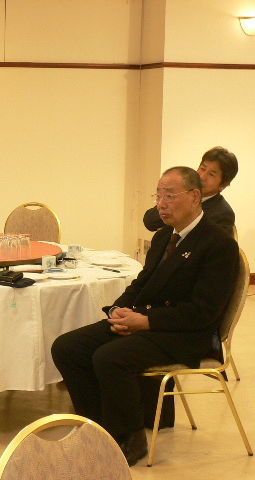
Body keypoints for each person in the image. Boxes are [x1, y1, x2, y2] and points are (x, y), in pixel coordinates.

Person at [51, 166, 239, 466]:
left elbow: (203, 313)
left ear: (194, 197)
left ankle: (130, 437)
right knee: (67, 347)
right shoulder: (164, 237)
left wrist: (146, 321)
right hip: (150, 321)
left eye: (170, 196)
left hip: (188, 334)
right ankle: (98, 427)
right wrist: (117, 311)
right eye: (158, 196)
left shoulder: (219, 244)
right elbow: (141, 284)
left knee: (110, 357)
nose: (161, 205)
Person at [143, 146, 238, 235]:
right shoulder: (183, 193)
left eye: (211, 174)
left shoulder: (223, 214)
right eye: (202, 169)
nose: (202, 177)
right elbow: (149, 222)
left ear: (223, 185)